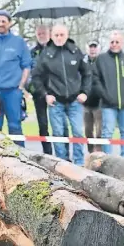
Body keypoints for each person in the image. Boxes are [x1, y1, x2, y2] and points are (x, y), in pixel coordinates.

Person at [32, 24, 91, 165]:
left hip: (75, 100)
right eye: (56, 35)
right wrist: (45, 95)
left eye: (62, 35)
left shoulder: (75, 51)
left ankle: (79, 163)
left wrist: (84, 92)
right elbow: (36, 77)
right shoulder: (46, 54)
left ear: (67, 35)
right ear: (52, 36)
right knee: (58, 134)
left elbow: (87, 73)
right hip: (55, 101)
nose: (59, 38)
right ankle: (62, 163)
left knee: (77, 132)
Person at [0, 9, 32, 146]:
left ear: (9, 23)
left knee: (15, 127)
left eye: (4, 21)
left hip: (12, 92)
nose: (1, 24)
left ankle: (20, 160)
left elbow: (26, 66)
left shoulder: (19, 42)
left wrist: (20, 87)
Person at [93, 31, 124, 159]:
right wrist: (104, 95)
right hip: (108, 104)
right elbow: (96, 79)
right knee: (107, 133)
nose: (114, 44)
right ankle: (107, 160)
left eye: (117, 42)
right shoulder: (101, 59)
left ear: (121, 43)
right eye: (112, 42)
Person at [28, 25, 53, 155]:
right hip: (38, 92)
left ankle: (62, 154)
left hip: (54, 91)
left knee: (59, 126)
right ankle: (47, 153)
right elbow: (28, 71)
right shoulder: (32, 52)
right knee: (43, 125)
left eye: (44, 33)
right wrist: (30, 87)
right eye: (39, 33)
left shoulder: (55, 49)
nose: (42, 35)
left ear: (49, 33)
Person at [84, 40, 102, 153]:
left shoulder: (102, 62)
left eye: (95, 47)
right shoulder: (83, 62)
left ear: (98, 48)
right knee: (88, 130)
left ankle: (99, 153)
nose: (93, 49)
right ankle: (91, 153)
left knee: (100, 130)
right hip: (86, 102)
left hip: (100, 102)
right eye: (91, 47)